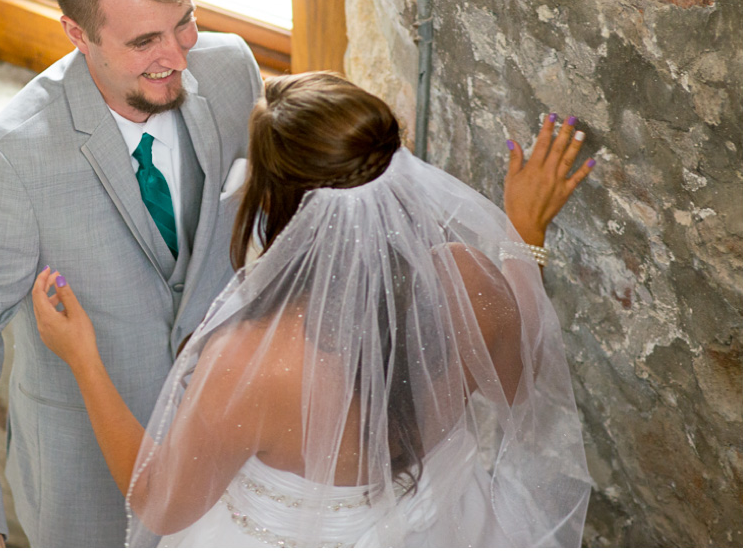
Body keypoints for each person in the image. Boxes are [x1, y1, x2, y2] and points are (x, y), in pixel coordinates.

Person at [32, 72, 595, 547]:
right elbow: (522, 381)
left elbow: (160, 505)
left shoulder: (254, 362)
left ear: (276, 206)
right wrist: (524, 234)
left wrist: (83, 358)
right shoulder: (470, 280)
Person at [0, 0, 264, 547]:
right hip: (84, 489)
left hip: (229, 456)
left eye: (184, 22)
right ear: (78, 34)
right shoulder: (9, 162)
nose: (176, 56)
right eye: (144, 43)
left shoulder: (231, 70)